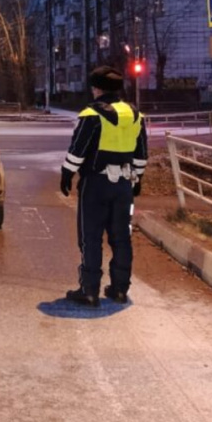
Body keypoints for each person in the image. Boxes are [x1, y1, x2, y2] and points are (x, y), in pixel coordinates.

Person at [59, 66, 149, 307]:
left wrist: (67, 174)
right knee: (122, 237)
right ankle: (119, 289)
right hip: (124, 186)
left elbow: (78, 149)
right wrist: (138, 178)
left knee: (91, 236)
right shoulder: (134, 114)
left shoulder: (92, 114)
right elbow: (141, 153)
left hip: (95, 184)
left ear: (96, 88)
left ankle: (89, 290)